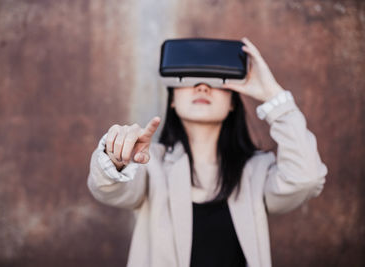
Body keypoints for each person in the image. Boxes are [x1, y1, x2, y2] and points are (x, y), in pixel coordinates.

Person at [87, 37, 328, 267]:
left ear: (233, 102)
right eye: (190, 79)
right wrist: (116, 159)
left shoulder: (257, 171)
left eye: (215, 80)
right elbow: (109, 190)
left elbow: (305, 178)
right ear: (172, 99)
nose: (202, 87)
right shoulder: (150, 165)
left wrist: (273, 96)